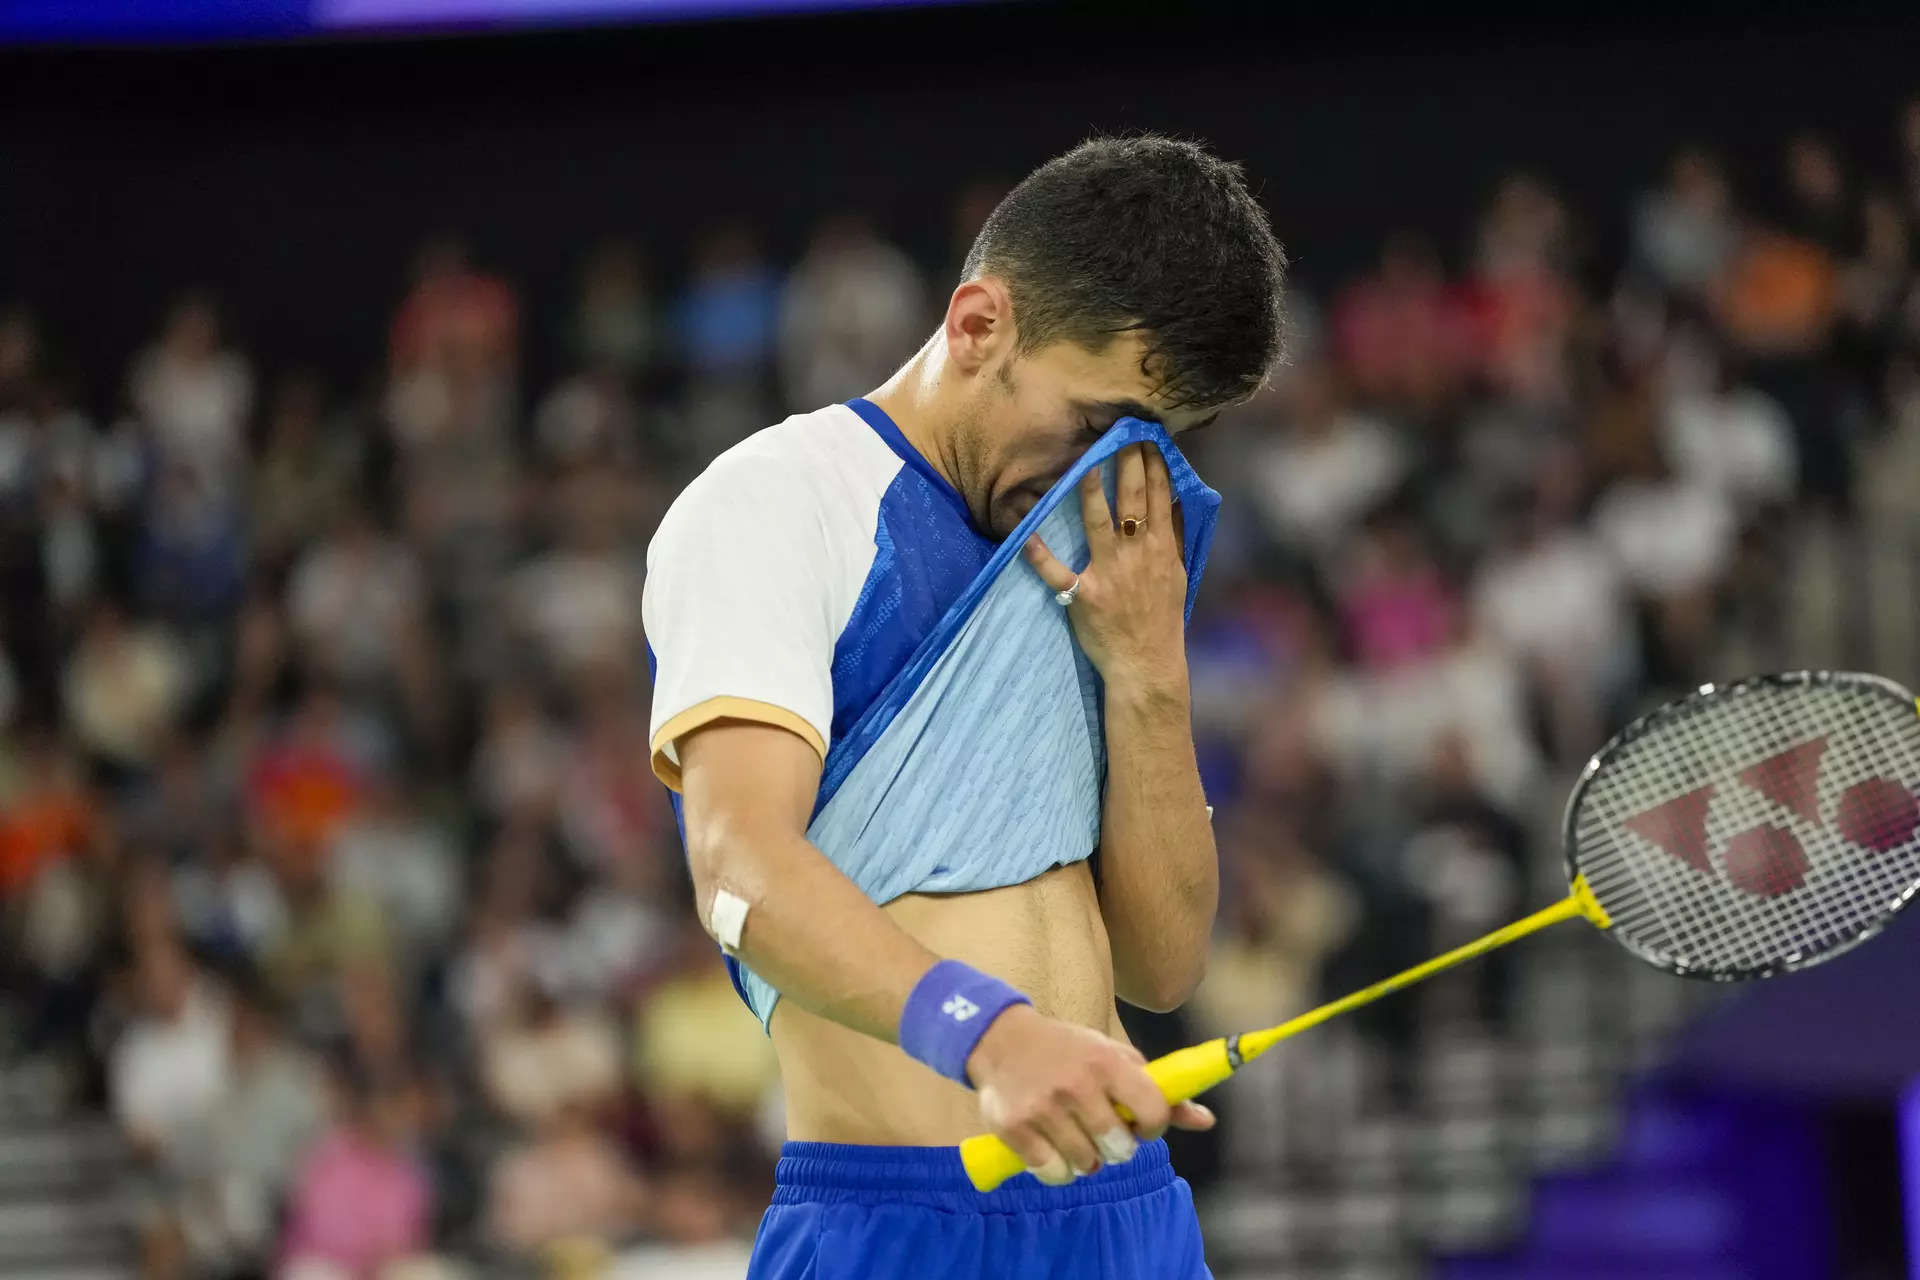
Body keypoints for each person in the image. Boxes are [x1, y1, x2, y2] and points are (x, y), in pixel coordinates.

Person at [643, 136, 1287, 1279]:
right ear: (981, 323)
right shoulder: (779, 502)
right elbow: (736, 866)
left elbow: (1163, 964)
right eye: (1095, 422)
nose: (1115, 469)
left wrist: (1151, 676)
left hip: (1126, 1217)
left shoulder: (1102, 547)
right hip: (903, 1223)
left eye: (1154, 438)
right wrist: (990, 1032)